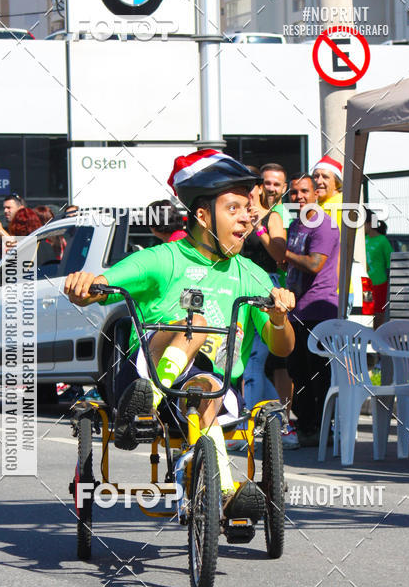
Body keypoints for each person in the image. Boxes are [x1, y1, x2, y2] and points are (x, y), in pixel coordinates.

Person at [64, 150, 296, 521]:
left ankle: (222, 493)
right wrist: (83, 285)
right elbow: (102, 284)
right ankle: (142, 408)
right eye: (234, 208)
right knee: (197, 323)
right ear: (203, 216)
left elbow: (281, 346)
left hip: (206, 393)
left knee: (207, 388)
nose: (246, 217)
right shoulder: (163, 259)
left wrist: (280, 318)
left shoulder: (251, 273)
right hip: (143, 378)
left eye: (247, 209)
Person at [240, 166, 297, 448]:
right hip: (240, 289)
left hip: (266, 290)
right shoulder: (236, 214)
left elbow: (278, 254)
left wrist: (256, 227)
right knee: (246, 360)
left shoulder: (272, 217)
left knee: (254, 361)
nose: (249, 192)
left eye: (253, 187)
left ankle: (249, 429)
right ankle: (280, 426)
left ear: (260, 189)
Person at [285, 197, 340, 446]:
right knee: (297, 371)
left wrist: (282, 253)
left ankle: (323, 427)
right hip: (296, 309)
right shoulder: (296, 224)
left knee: (319, 374)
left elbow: (316, 263)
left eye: (304, 191)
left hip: (319, 309)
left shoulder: (324, 225)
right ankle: (306, 426)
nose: (299, 197)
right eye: (294, 192)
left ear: (315, 195)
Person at [365, 209, 393, 329]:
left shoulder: (383, 241)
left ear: (370, 224)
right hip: (366, 284)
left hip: (379, 284)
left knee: (378, 312)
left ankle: (377, 337)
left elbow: (390, 263)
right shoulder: (363, 239)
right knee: (367, 312)